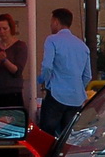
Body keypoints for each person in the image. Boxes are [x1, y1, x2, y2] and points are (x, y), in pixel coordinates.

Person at [37, 7, 92, 136]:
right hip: (76, 98)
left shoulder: (52, 40)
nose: (51, 25)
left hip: (56, 94)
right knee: (69, 136)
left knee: (47, 136)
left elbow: (47, 66)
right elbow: (88, 76)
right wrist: (77, 87)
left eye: (51, 22)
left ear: (56, 21)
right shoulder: (83, 46)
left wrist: (45, 81)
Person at [0, 13, 28, 111]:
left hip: (12, 92)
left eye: (5, 28)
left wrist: (5, 60)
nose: (2, 32)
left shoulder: (20, 46)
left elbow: (17, 71)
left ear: (11, 28)